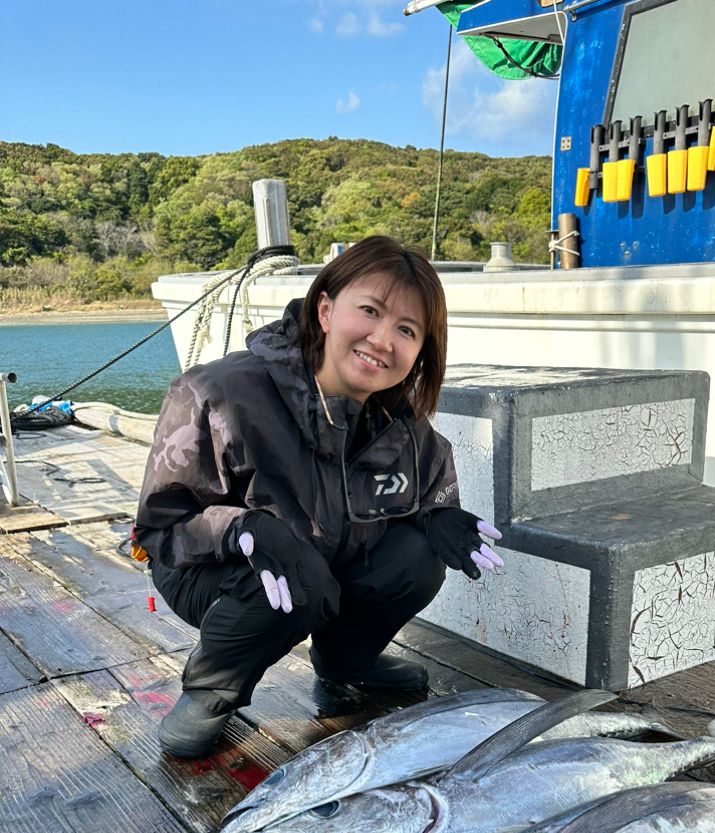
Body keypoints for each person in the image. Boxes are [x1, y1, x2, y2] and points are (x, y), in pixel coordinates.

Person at [135, 236, 503, 758]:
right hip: (215, 570)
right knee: (295, 576)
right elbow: (160, 527)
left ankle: (346, 661)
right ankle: (212, 687)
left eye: (406, 330)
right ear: (325, 309)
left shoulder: (406, 428)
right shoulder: (216, 393)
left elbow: (429, 497)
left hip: (325, 563)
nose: (382, 340)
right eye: (370, 311)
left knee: (418, 558)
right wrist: (242, 528)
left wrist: (439, 516)